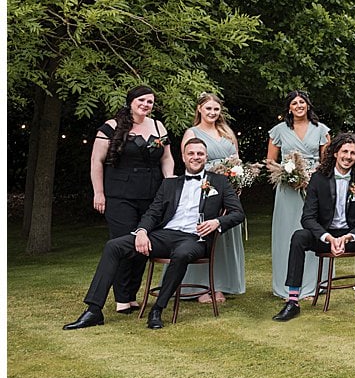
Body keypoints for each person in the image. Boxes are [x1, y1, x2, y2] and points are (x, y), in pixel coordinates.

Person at [64, 138, 244, 330]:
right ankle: (93, 310)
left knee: (182, 254)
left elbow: (237, 213)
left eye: (200, 154)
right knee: (114, 246)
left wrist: (217, 222)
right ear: (183, 157)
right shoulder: (170, 184)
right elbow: (153, 212)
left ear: (206, 157)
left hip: (195, 238)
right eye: (191, 153)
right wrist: (141, 231)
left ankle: (157, 309)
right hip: (164, 235)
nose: (195, 157)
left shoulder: (220, 182)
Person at [271, 133, 355, 320]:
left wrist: (348, 237)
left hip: (351, 237)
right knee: (299, 236)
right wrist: (328, 237)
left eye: (353, 153)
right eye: (344, 151)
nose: (348, 156)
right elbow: (308, 218)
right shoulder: (319, 179)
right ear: (335, 153)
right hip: (325, 236)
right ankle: (293, 301)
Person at [89, 85, 175, 315]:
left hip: (152, 195)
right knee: (124, 244)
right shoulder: (111, 126)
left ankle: (132, 294)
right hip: (120, 195)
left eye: (150, 102)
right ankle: (121, 298)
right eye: (142, 100)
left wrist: (169, 183)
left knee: (143, 246)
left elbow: (166, 158)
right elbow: (97, 160)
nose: (146, 105)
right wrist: (99, 192)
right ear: (131, 101)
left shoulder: (158, 126)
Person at [175, 93, 245, 303]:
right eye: (208, 109)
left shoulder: (227, 133)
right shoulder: (191, 133)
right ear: (199, 109)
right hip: (204, 190)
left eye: (216, 109)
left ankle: (222, 284)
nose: (213, 113)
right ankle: (200, 287)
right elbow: (190, 163)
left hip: (228, 189)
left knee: (224, 236)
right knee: (204, 234)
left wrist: (237, 181)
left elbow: (237, 161)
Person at [267, 90, 330, 300]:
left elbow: (327, 161)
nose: (298, 106)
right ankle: (288, 285)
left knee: (312, 231)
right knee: (288, 234)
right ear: (289, 108)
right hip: (288, 190)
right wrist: (286, 173)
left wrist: (311, 175)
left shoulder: (321, 130)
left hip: (314, 187)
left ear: (308, 105)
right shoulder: (279, 130)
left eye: (302, 102)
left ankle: (313, 285)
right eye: (294, 103)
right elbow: (270, 161)